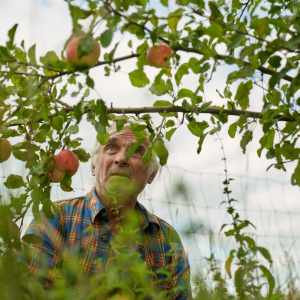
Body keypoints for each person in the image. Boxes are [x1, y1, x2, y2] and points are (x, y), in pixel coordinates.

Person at [20, 123, 192, 299]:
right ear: (94, 166)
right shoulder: (55, 219)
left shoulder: (166, 239)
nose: (122, 158)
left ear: (151, 173)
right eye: (111, 148)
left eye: (137, 151)